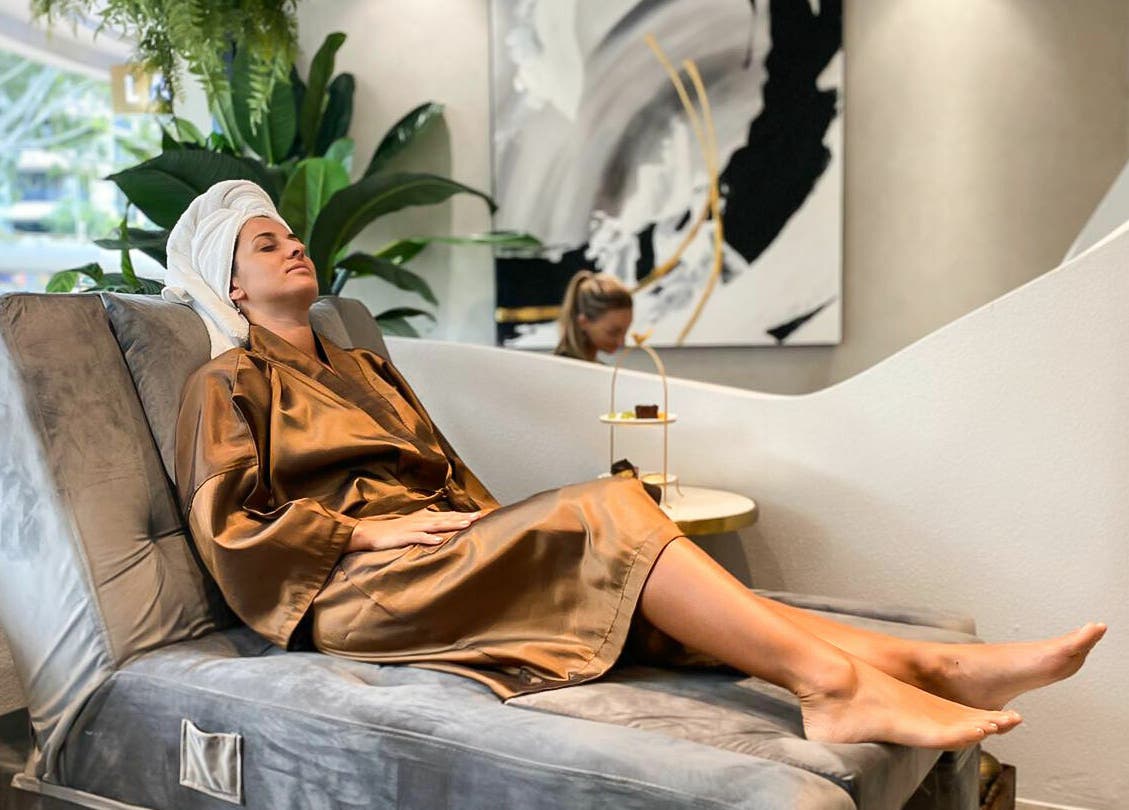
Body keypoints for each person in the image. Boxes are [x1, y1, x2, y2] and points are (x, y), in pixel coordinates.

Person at [169, 181, 1105, 751]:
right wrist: (370, 530)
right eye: (267, 242)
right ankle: (834, 690)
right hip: (351, 588)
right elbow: (229, 535)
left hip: (436, 555)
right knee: (611, 512)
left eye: (292, 233)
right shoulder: (225, 382)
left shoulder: (362, 364)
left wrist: (501, 535)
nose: (294, 243)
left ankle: (929, 662)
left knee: (631, 570)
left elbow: (453, 480)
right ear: (231, 282)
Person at [554, 270, 634, 361]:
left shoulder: (599, 370)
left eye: (625, 332)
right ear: (583, 322)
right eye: (613, 332)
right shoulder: (556, 370)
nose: (621, 342)